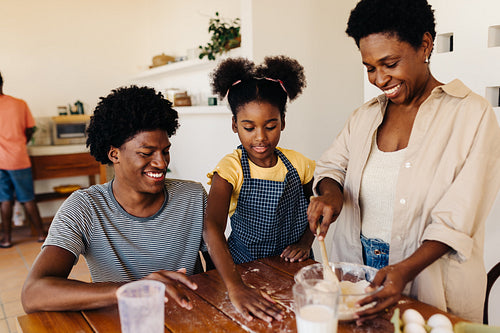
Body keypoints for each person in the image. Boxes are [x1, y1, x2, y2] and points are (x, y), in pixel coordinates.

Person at [307, 0, 500, 324]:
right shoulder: (364, 116)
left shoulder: (472, 115)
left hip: (429, 281)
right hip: (358, 271)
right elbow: (332, 167)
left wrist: (403, 269)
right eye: (370, 67)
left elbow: (458, 218)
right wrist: (331, 194)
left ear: (424, 45)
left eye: (390, 63)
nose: (380, 79)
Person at [22, 86, 208, 313]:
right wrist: (133, 290)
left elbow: (221, 274)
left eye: (165, 151)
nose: (161, 163)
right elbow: (33, 293)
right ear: (114, 154)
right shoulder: (85, 208)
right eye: (146, 153)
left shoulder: (194, 198)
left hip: (190, 318)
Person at [203, 56, 315, 322]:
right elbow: (211, 227)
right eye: (249, 127)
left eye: (270, 126)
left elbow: (318, 208)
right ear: (234, 125)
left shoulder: (299, 164)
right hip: (243, 270)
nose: (261, 137)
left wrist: (305, 242)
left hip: (294, 267)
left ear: (283, 122)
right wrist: (235, 286)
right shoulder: (231, 168)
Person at [0, 71, 46, 248]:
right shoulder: (19, 104)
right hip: (18, 159)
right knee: (27, 197)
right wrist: (19, 143)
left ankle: (6, 239)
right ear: (2, 83)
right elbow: (30, 130)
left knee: (5, 199)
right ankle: (41, 234)